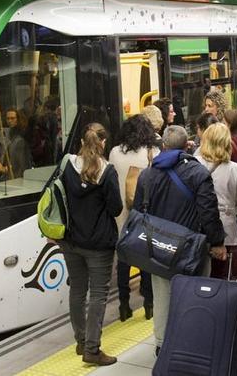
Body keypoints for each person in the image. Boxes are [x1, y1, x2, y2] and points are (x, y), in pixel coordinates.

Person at [133, 125, 227, 352]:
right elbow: (208, 212)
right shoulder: (198, 173)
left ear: (163, 146)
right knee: (195, 295)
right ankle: (192, 342)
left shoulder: (146, 175)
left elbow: (138, 211)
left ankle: (162, 345)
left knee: (163, 296)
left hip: (158, 248)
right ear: (187, 146)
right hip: (192, 248)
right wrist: (216, 242)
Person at [58, 123, 123, 366]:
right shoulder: (107, 171)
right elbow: (115, 207)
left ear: (83, 142)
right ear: (103, 143)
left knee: (77, 289)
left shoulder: (67, 165)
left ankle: (81, 341)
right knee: (98, 294)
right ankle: (92, 350)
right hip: (98, 244)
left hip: (71, 240)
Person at [108, 115, 158, 323]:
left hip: (120, 215)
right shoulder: (152, 152)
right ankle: (148, 304)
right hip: (144, 213)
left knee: (123, 259)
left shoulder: (115, 152)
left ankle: (123, 305)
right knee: (145, 258)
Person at [195, 123, 237, 280]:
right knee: (224, 277)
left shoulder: (194, 163)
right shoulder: (235, 169)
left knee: (200, 277)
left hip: (199, 229)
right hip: (227, 229)